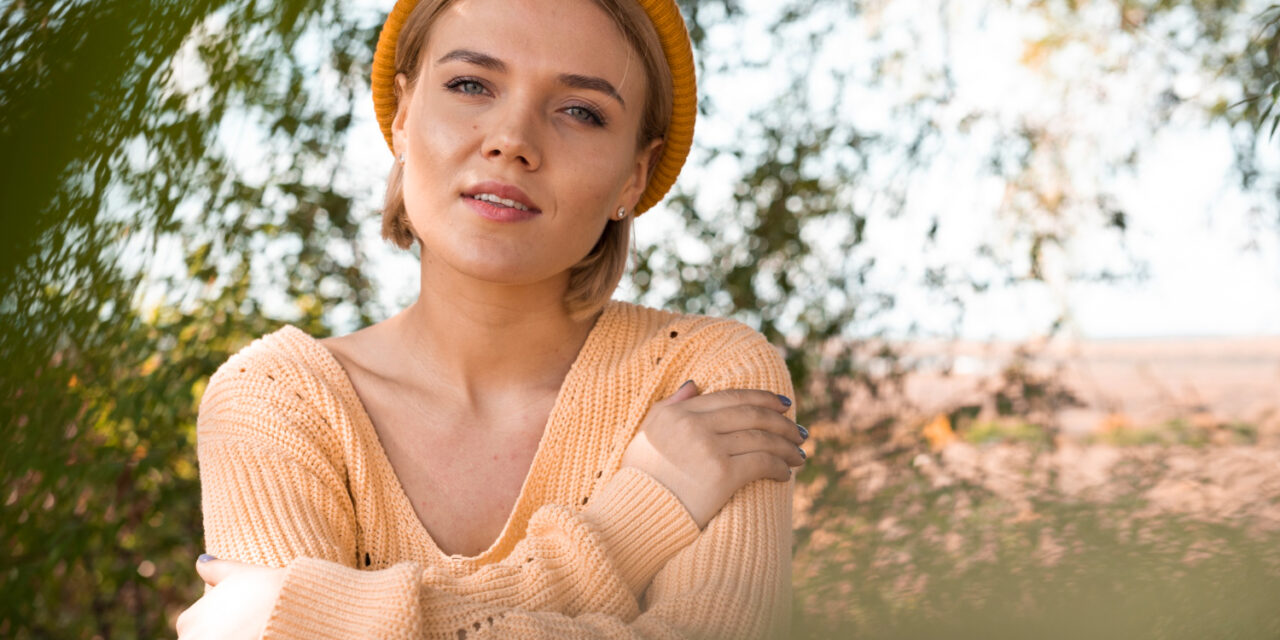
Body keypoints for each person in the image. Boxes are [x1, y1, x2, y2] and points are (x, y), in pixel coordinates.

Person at [176, 0, 810, 637]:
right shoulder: (274, 399)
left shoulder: (708, 376)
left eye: (581, 111)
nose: (513, 140)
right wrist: (634, 522)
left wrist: (319, 619)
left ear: (633, 178)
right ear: (402, 117)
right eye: (470, 85)